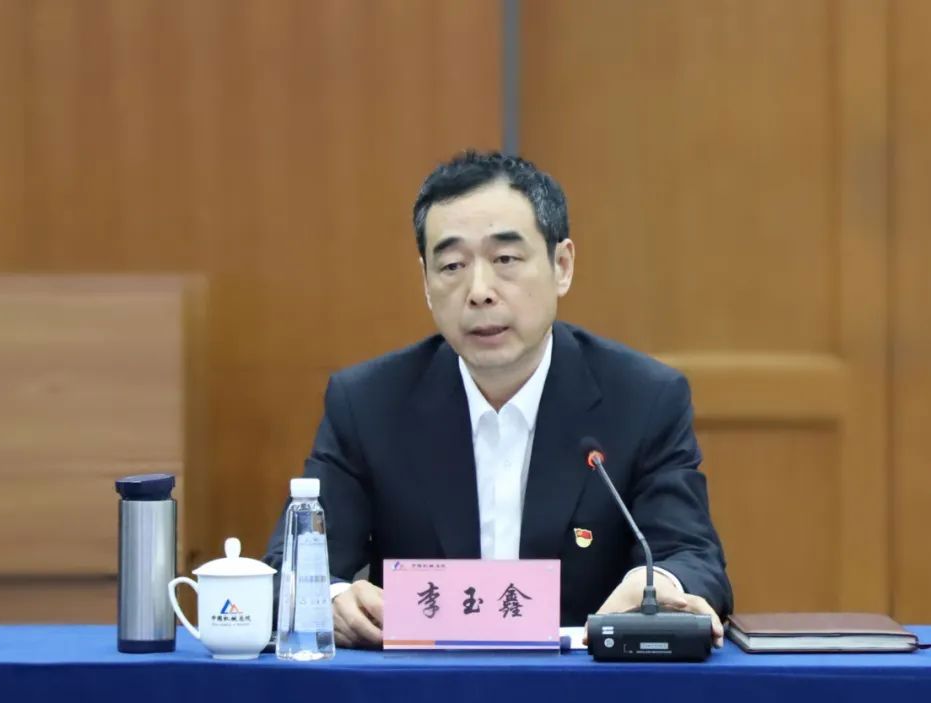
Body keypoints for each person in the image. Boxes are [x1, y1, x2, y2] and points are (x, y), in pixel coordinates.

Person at [264, 150, 733, 649]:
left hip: (581, 685)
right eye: (452, 265)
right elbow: (286, 570)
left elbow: (691, 557)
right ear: (426, 282)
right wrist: (330, 597)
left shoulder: (642, 399)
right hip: (424, 685)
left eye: (505, 259)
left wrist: (658, 586)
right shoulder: (369, 405)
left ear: (562, 266)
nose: (479, 291)